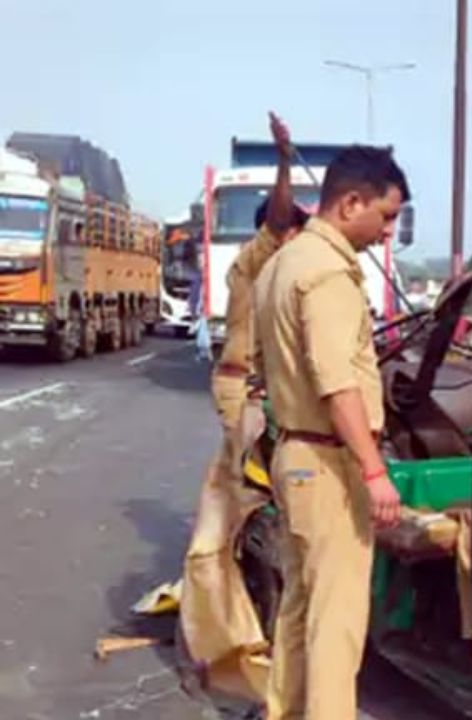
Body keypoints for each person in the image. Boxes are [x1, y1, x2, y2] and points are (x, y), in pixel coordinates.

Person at [253, 145, 409, 720]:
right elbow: (336, 384)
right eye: (386, 216)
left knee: (298, 607)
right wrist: (373, 471)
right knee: (336, 624)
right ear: (350, 203)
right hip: (328, 463)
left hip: (295, 454)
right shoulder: (326, 273)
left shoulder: (283, 265)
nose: (388, 233)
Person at [179, 112, 308, 687]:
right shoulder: (255, 264)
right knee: (257, 500)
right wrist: (284, 160)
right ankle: (252, 610)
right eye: (293, 231)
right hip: (246, 391)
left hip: (276, 393)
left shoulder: (298, 277)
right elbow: (280, 215)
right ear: (275, 232)